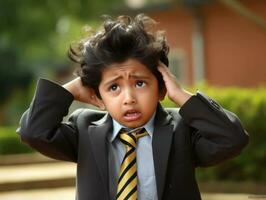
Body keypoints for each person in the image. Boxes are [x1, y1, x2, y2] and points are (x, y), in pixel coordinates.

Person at [17, 14, 249, 200]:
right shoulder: (85, 128)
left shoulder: (181, 129)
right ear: (98, 96)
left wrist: (180, 95)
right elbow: (33, 131)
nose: (128, 98)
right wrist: (73, 88)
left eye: (139, 83)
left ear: (160, 88)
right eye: (114, 88)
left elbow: (233, 139)